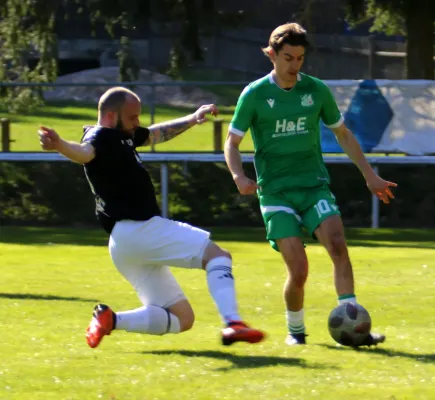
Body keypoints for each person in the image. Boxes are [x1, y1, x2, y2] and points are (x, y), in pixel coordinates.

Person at [38, 87, 264, 348]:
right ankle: (233, 322)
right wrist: (59, 145)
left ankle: (110, 320)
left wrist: (192, 119)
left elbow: (156, 133)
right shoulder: (101, 136)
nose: (137, 122)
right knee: (218, 256)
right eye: (132, 117)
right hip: (140, 229)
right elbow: (84, 153)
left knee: (182, 318)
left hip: (122, 244)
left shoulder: (122, 137)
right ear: (110, 116)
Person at [224, 23, 397, 346]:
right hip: (275, 192)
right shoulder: (255, 94)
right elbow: (232, 143)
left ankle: (355, 326)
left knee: (338, 245)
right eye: (288, 58)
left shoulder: (316, 90)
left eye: (300, 58)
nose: (295, 66)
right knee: (299, 268)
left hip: (314, 186)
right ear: (272, 55)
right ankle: (296, 332)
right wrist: (238, 176)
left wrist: (369, 175)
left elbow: (343, 134)